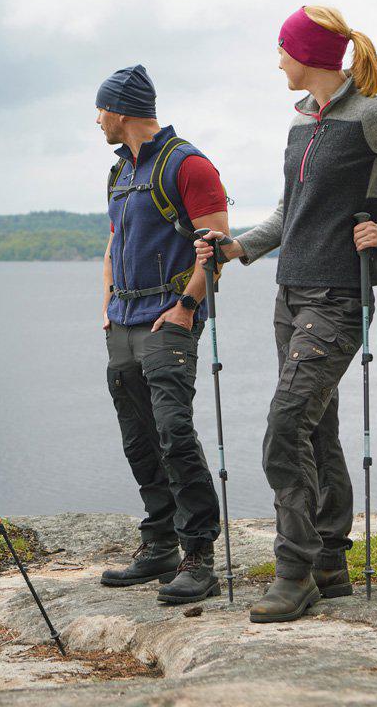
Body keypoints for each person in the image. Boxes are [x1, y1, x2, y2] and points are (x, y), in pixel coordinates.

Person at [196, 6, 377, 623]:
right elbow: (290, 212)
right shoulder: (301, 122)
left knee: (285, 427)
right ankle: (330, 564)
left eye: (282, 51)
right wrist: (237, 249)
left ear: (308, 55)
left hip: (338, 297)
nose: (278, 63)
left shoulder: (373, 116)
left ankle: (294, 573)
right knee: (316, 428)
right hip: (290, 295)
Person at [95, 64, 232, 605]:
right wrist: (107, 299)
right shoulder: (119, 171)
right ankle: (159, 545)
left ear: (121, 110)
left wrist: (187, 306)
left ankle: (198, 555)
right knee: (139, 437)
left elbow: (218, 245)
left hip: (168, 319)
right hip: (124, 319)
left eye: (101, 109)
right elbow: (113, 240)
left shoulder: (189, 165)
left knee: (173, 431)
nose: (98, 120)